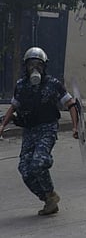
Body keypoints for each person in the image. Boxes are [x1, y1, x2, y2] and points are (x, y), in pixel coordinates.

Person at [0, 47, 78, 216]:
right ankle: (48, 199)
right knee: (25, 170)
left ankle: (49, 185)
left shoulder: (53, 84)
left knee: (38, 163)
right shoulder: (21, 86)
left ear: (44, 66)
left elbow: (71, 104)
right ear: (25, 67)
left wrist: (75, 126)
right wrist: (2, 126)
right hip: (29, 130)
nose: (34, 68)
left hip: (47, 128)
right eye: (31, 65)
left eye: (38, 64)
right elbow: (14, 107)